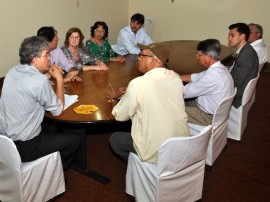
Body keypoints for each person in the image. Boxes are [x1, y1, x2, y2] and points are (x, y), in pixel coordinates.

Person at [0, 36, 81, 170]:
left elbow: (30, 84)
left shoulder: (13, 71)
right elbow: (58, 110)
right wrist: (60, 80)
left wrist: (48, 75)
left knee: (52, 127)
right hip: (26, 147)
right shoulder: (39, 81)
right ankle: (57, 172)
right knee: (74, 140)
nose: (49, 58)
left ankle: (49, 163)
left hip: (5, 143)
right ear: (35, 59)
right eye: (46, 55)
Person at [107, 43, 190, 163]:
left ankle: (139, 166)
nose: (138, 58)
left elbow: (120, 116)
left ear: (155, 61)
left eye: (142, 55)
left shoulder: (138, 83)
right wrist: (130, 93)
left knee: (115, 140)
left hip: (156, 150)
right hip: (180, 144)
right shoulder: (176, 77)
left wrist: (114, 99)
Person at [181, 39, 234, 126]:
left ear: (209, 56)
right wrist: (177, 77)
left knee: (171, 110)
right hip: (209, 108)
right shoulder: (220, 68)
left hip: (206, 116)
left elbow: (183, 92)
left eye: (199, 55)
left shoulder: (212, 77)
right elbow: (196, 77)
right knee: (176, 102)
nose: (197, 57)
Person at [228, 22, 259, 108]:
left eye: (232, 35)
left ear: (242, 36)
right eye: (229, 35)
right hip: (239, 90)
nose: (229, 38)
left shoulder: (246, 54)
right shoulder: (246, 49)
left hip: (237, 96)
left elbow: (237, 81)